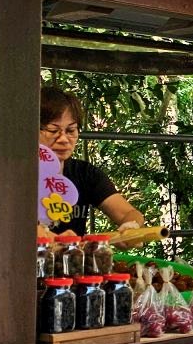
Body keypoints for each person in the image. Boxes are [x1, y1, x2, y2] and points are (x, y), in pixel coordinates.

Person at [39, 86, 146, 237]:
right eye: (52, 131)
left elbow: (128, 213)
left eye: (71, 131)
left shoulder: (85, 174)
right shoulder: (14, 174)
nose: (63, 139)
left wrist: (130, 227)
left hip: (71, 260)